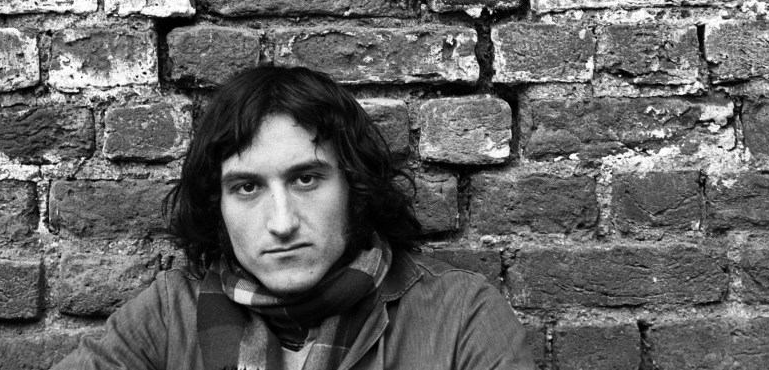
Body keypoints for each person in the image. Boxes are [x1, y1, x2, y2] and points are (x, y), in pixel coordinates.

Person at [53, 66, 534, 370]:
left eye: (306, 179)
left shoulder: (460, 315)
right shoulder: (170, 314)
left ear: (354, 187)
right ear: (218, 205)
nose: (282, 223)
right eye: (247, 187)